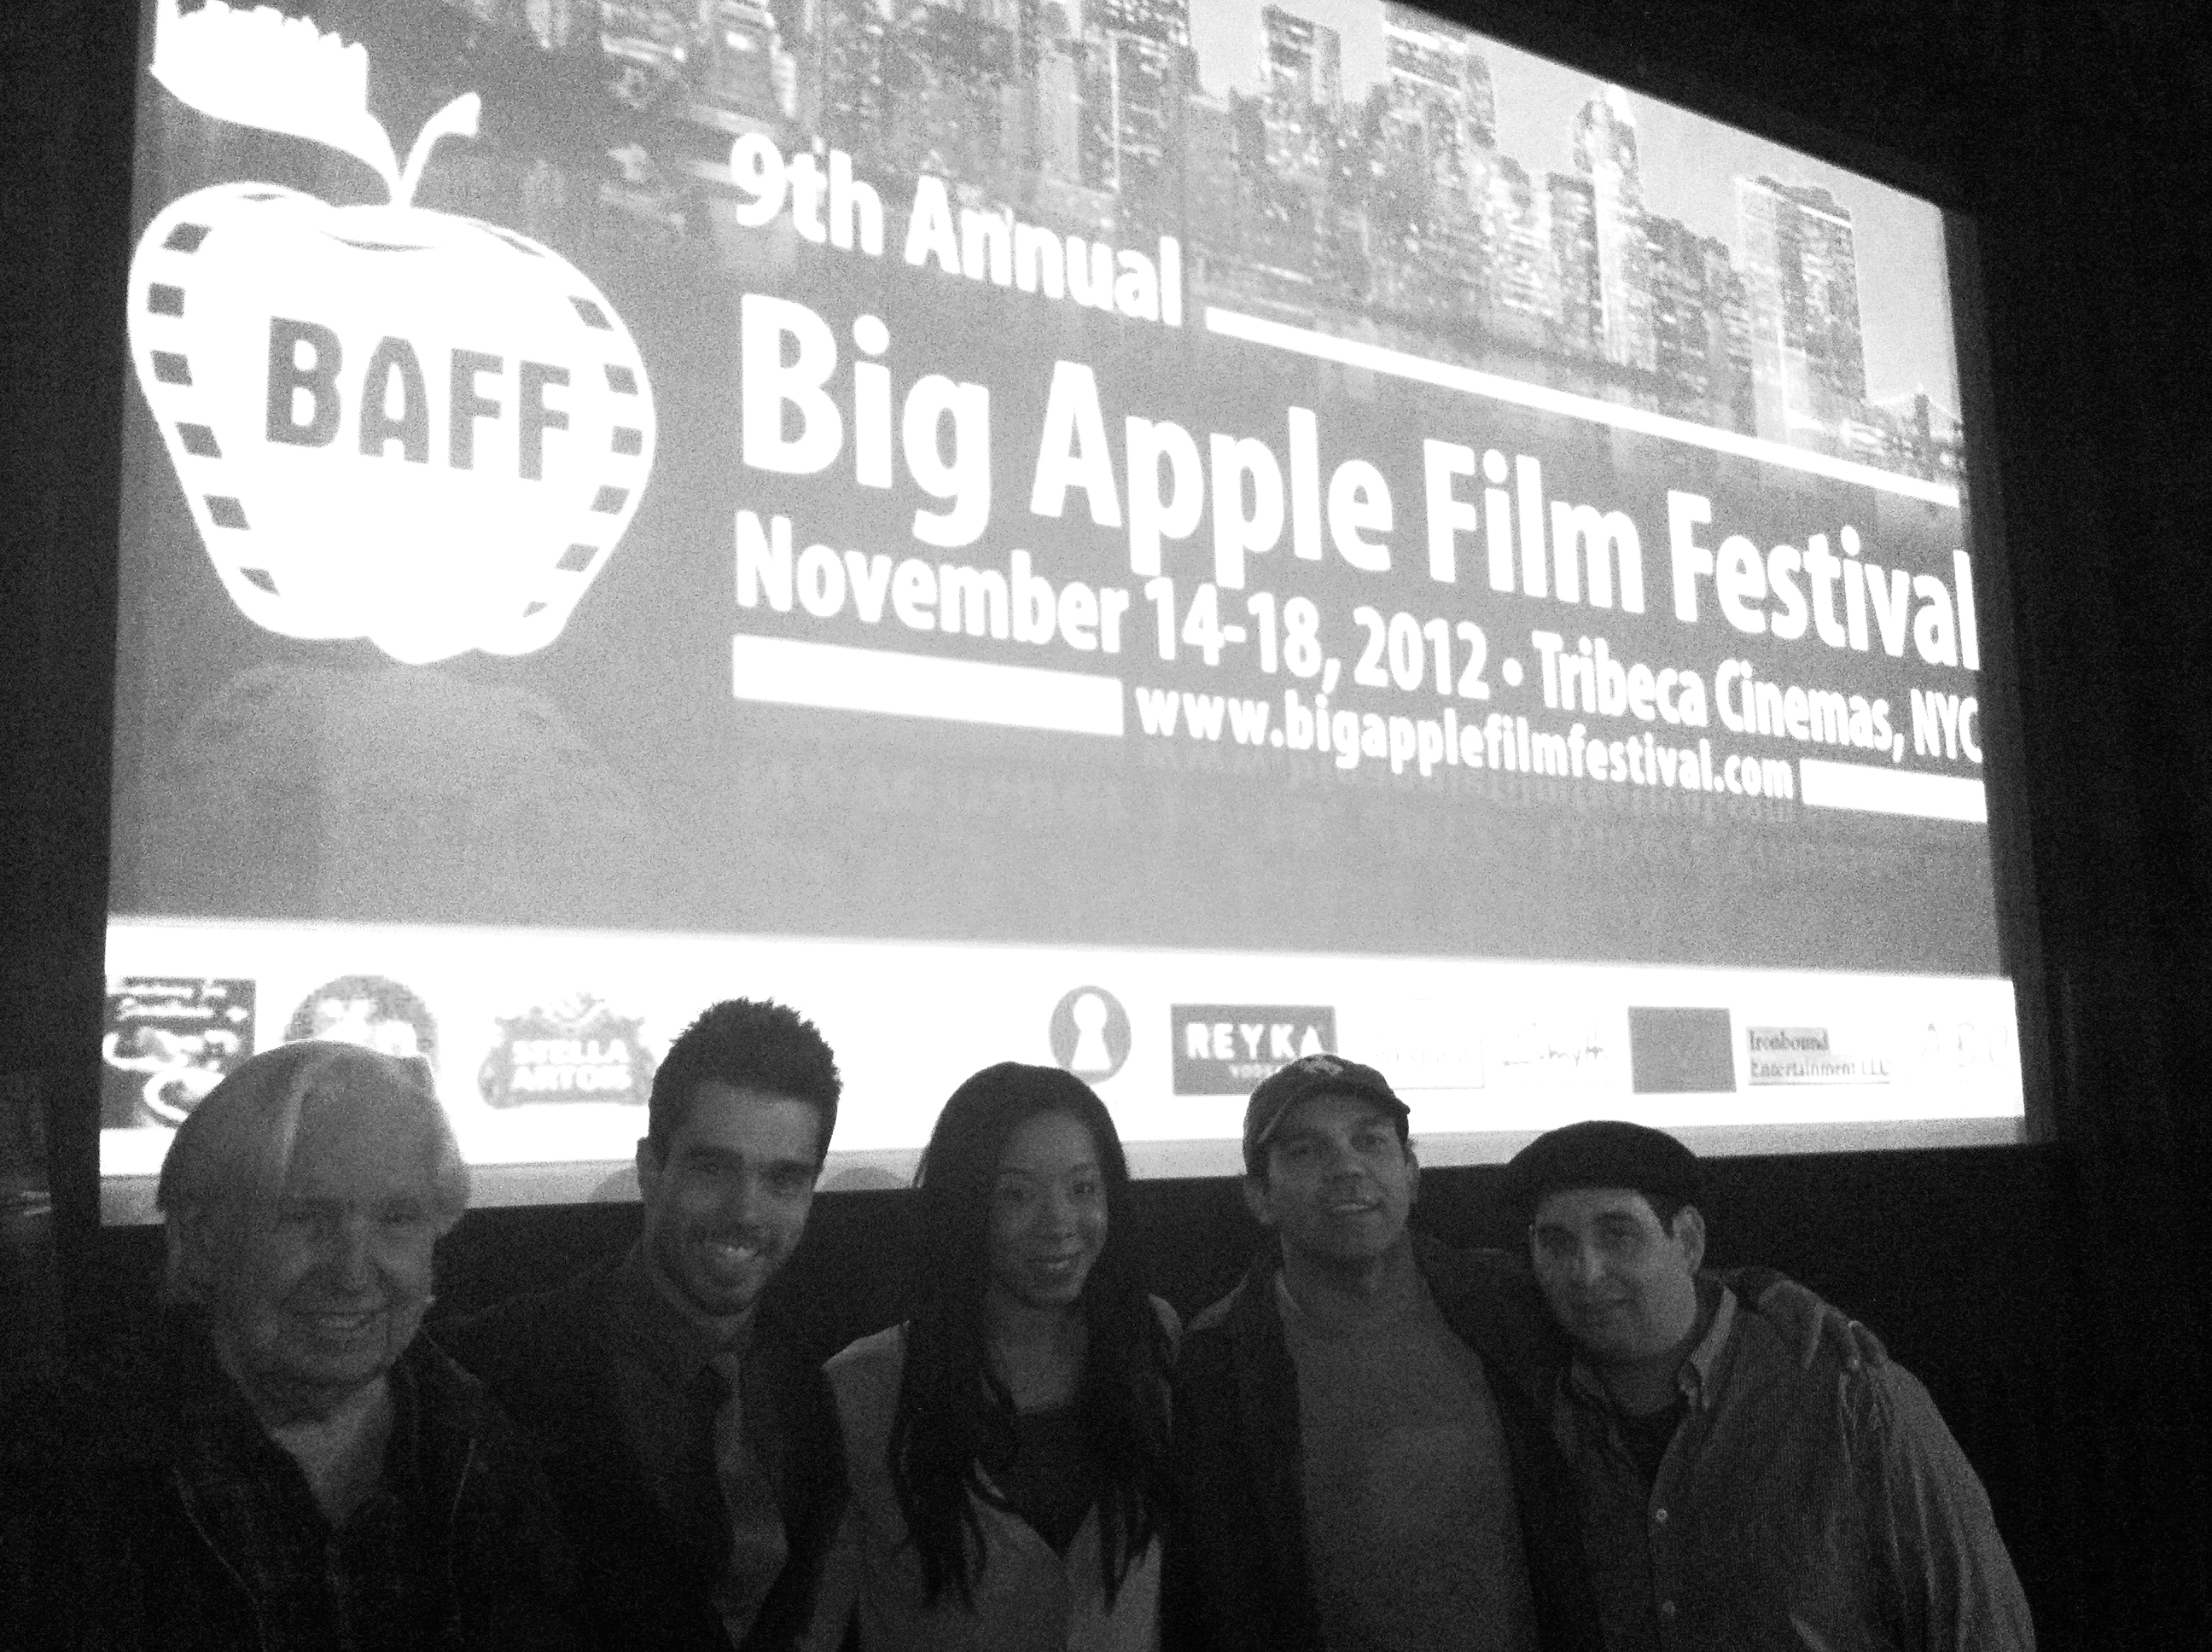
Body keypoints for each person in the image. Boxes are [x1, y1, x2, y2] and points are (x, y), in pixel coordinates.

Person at [1170, 1053, 1875, 1652]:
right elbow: (1212, 1596)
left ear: (1413, 1172)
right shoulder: (1217, 1359)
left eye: (1371, 1141)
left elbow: (1631, 1290)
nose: (1347, 1168)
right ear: (1259, 1196)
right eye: (1305, 1150)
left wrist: (1759, 1289)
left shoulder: (1497, 1301)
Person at [0, 1040, 585, 1651]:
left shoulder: (490, 1442)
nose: (354, 1272)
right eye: (302, 1216)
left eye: (397, 1218)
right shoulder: (58, 1470)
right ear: (200, 1240)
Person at [1506, 1120, 2036, 1651]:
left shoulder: (1848, 1396)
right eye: (1556, 1243)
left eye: (1617, 1235)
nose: (1586, 1272)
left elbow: (1978, 1626)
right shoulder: (1538, 1409)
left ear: (1688, 1241)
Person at [437, 998, 848, 1651]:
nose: (746, 1211)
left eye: (783, 1179)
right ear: (650, 1168)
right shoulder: (490, 1371)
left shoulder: (810, 1383)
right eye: (713, 1168)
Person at [807, 1062, 1178, 1650]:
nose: (1059, 1224)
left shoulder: (1151, 1340)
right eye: (1017, 1194)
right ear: (964, 1205)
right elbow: (815, 1626)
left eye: (1083, 1189)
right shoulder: (864, 1386)